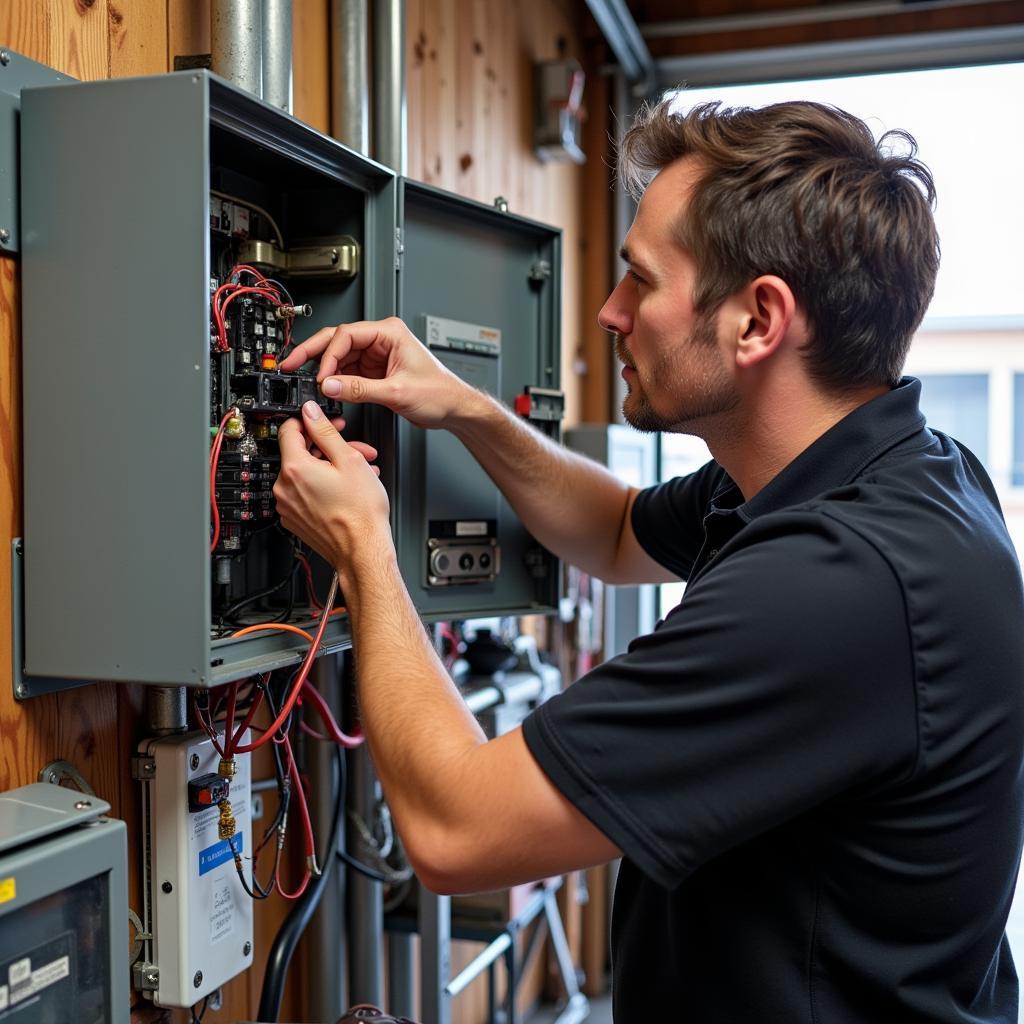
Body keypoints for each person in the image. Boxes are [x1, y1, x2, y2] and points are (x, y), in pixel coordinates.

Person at [273, 99, 1024, 1021]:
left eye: (640, 280)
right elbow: (617, 530)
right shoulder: (888, 471)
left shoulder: (839, 586)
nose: (609, 312)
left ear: (758, 320)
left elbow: (452, 832)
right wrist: (464, 406)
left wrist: (364, 550)